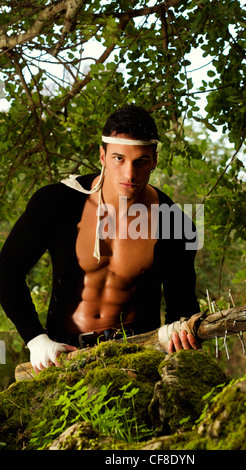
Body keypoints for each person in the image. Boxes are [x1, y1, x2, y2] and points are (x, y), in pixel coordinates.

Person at [0, 104, 200, 374]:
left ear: (154, 160)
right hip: (63, 356)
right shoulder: (56, 202)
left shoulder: (174, 222)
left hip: (138, 356)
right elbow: (6, 269)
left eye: (140, 161)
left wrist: (179, 331)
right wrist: (36, 339)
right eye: (119, 158)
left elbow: (182, 304)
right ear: (103, 156)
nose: (129, 174)